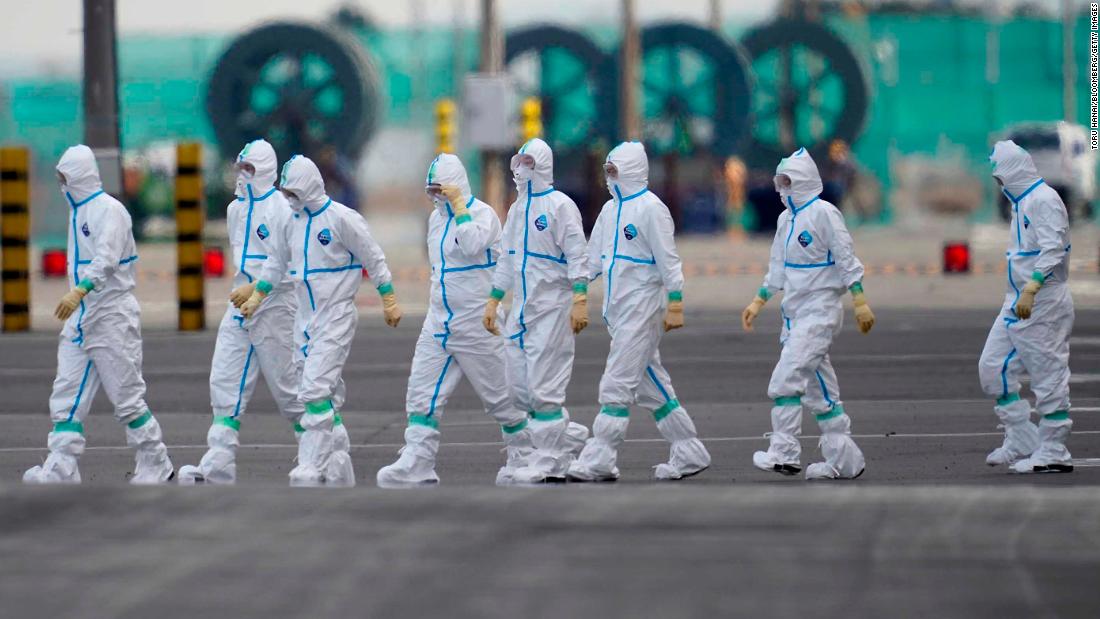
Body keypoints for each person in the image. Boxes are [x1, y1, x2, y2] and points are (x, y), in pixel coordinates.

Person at [240, 154, 402, 486]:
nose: (289, 198)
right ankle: (337, 459)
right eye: (286, 192)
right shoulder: (290, 222)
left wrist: (388, 298)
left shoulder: (343, 219)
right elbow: (276, 262)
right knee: (314, 389)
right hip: (304, 317)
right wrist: (259, 294)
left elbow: (373, 255)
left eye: (294, 191)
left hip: (336, 316)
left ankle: (311, 462)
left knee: (314, 391)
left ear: (309, 186)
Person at [377, 153, 535, 487]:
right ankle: (418, 460)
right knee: (420, 393)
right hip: (439, 323)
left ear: (457, 187)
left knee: (502, 398)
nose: (436, 196)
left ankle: (526, 454)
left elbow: (472, 245)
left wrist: (461, 207)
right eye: (431, 189)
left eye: (441, 189)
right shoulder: (435, 221)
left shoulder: (483, 215)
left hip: (478, 324)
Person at [24, 145, 174, 484]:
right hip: (82, 318)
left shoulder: (111, 211)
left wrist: (80, 290)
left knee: (126, 397)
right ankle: (62, 466)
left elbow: (106, 259)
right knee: (66, 393)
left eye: (65, 178)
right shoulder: (78, 212)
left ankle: (156, 461)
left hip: (111, 316)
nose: (62, 186)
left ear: (79, 177)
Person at [567, 141, 711, 482]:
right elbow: (592, 259)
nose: (608, 177)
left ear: (630, 170)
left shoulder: (652, 209)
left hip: (644, 307)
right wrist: (576, 290)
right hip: (619, 310)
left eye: (614, 170)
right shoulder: (609, 211)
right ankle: (689, 449)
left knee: (616, 383)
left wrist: (675, 301)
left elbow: (668, 259)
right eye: (607, 170)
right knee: (651, 385)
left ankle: (600, 456)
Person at [741, 147, 874, 480]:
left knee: (786, 380)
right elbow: (777, 266)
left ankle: (784, 452)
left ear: (802, 181)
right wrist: (758, 301)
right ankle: (845, 461)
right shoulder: (786, 219)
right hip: (794, 316)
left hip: (820, 312)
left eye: (788, 181)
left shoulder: (824, 213)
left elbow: (846, 258)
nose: (782, 189)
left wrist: (859, 301)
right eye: (780, 181)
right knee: (820, 392)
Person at [178, 139, 304, 484]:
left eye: (248, 169)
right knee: (225, 378)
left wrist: (259, 287)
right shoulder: (236, 211)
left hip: (277, 306)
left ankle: (319, 453)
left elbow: (290, 262)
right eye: (240, 169)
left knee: (289, 386)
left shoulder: (282, 209)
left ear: (264, 171)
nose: (242, 176)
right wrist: (244, 290)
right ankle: (219, 460)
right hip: (241, 308)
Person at [485, 138, 590, 483]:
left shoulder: (560, 206)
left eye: (529, 163)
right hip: (521, 312)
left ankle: (550, 461)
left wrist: (579, 299)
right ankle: (564, 436)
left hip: (552, 309)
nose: (521, 169)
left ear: (542, 166)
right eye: (519, 162)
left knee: (544, 390)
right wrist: (494, 299)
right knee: (518, 389)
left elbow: (577, 254)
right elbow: (507, 258)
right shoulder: (517, 209)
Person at [979, 140, 1074, 473]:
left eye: (1000, 178)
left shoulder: (1044, 200)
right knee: (992, 368)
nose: (999, 185)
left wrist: (1032, 288)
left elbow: (1054, 249)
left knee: (1048, 373)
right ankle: (1020, 438)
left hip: (1043, 302)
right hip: (1016, 301)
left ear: (1014, 174)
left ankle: (1054, 450)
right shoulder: (1021, 204)